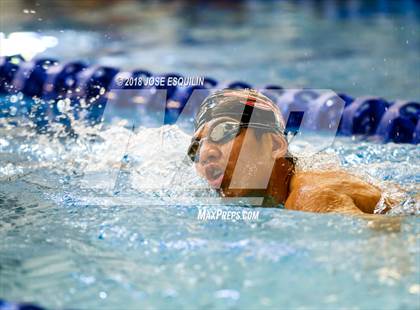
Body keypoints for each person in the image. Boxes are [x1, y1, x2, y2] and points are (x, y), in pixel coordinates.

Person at [187, 88, 394, 215]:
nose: (205, 153)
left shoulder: (311, 196)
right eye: (195, 148)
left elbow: (384, 242)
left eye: (224, 131)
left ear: (276, 145)